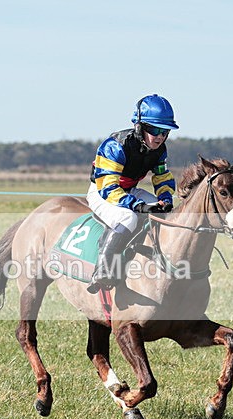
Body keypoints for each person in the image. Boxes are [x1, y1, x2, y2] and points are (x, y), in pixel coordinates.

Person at [86, 94, 180, 293]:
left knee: (165, 215)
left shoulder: (160, 150)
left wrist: (165, 199)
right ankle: (102, 270)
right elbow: (109, 187)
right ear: (139, 127)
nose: (160, 136)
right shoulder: (114, 146)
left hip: (129, 190)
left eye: (165, 131)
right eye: (154, 130)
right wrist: (137, 205)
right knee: (128, 217)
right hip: (102, 191)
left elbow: (162, 177)